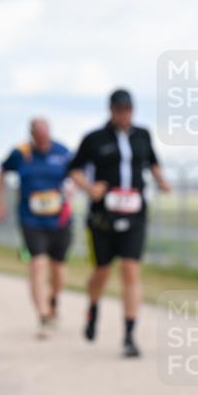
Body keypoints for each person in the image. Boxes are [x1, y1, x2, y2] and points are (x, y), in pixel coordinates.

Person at [67, 89, 171, 358]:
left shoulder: (142, 136)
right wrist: (89, 189)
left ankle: (129, 334)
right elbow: (74, 170)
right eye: (120, 110)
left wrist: (161, 180)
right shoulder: (94, 139)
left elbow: (153, 163)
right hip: (104, 215)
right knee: (102, 270)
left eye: (129, 110)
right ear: (111, 110)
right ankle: (93, 306)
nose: (125, 115)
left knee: (130, 269)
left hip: (134, 211)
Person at [0, 118, 74, 340]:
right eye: (38, 137)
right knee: (37, 264)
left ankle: (53, 300)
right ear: (31, 135)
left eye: (45, 136)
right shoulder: (20, 153)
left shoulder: (62, 152)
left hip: (59, 220)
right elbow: (2, 171)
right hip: (31, 220)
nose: (42, 141)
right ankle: (43, 315)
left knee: (58, 269)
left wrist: (73, 189)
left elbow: (76, 174)